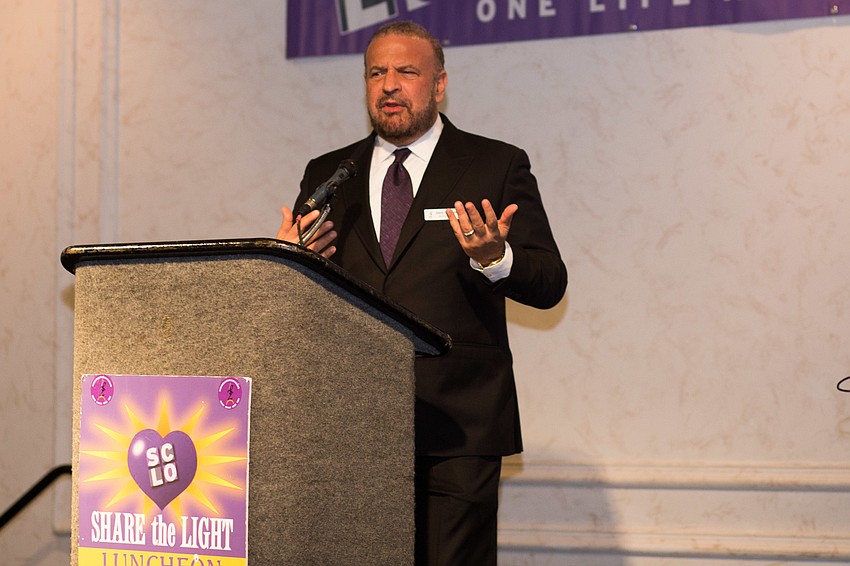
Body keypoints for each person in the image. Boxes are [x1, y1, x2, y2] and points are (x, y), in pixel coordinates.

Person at [277, 21, 567, 565]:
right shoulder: (329, 173)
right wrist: (293, 265)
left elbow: (550, 282)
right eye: (376, 73)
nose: (389, 85)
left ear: (438, 85)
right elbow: (304, 308)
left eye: (406, 72)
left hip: (460, 424)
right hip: (355, 422)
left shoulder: (494, 164)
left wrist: (495, 259)